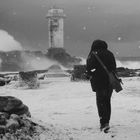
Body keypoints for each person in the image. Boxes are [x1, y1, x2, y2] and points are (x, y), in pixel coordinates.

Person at [86, 40, 116, 131]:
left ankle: (103, 123)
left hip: (99, 82)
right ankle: (107, 121)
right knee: (107, 101)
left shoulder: (93, 54)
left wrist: (92, 73)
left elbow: (89, 68)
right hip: (109, 81)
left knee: (101, 101)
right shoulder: (110, 53)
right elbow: (113, 67)